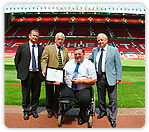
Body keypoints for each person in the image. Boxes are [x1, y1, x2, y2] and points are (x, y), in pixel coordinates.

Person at [89, 33, 122, 127]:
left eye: (101, 40)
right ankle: (103, 111)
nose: (100, 42)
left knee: (113, 99)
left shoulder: (114, 50)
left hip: (111, 77)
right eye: (98, 40)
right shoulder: (95, 50)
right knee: (101, 97)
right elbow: (90, 59)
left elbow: (118, 64)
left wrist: (118, 77)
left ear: (106, 40)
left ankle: (112, 117)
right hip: (99, 76)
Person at [59, 47, 97, 125]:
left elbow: (93, 80)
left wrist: (81, 81)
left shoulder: (89, 64)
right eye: (75, 54)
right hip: (70, 88)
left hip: (83, 88)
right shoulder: (69, 63)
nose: (77, 56)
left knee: (85, 99)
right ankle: (63, 111)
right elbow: (63, 75)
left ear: (84, 54)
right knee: (61, 96)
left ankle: (81, 115)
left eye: (79, 54)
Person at [14, 29, 44, 120]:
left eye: (37, 36)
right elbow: (17, 60)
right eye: (33, 35)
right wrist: (20, 71)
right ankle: (26, 111)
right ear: (29, 36)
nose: (35, 37)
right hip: (26, 74)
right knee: (26, 94)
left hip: (37, 75)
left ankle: (34, 110)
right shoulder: (22, 46)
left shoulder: (41, 48)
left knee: (36, 94)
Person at [41, 32, 69, 119]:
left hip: (60, 75)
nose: (60, 41)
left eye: (62, 39)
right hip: (50, 73)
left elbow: (67, 62)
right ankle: (49, 109)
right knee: (49, 93)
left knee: (58, 94)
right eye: (59, 39)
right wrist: (43, 69)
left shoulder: (65, 50)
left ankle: (55, 110)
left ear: (64, 41)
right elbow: (44, 60)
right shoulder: (48, 48)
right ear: (55, 40)